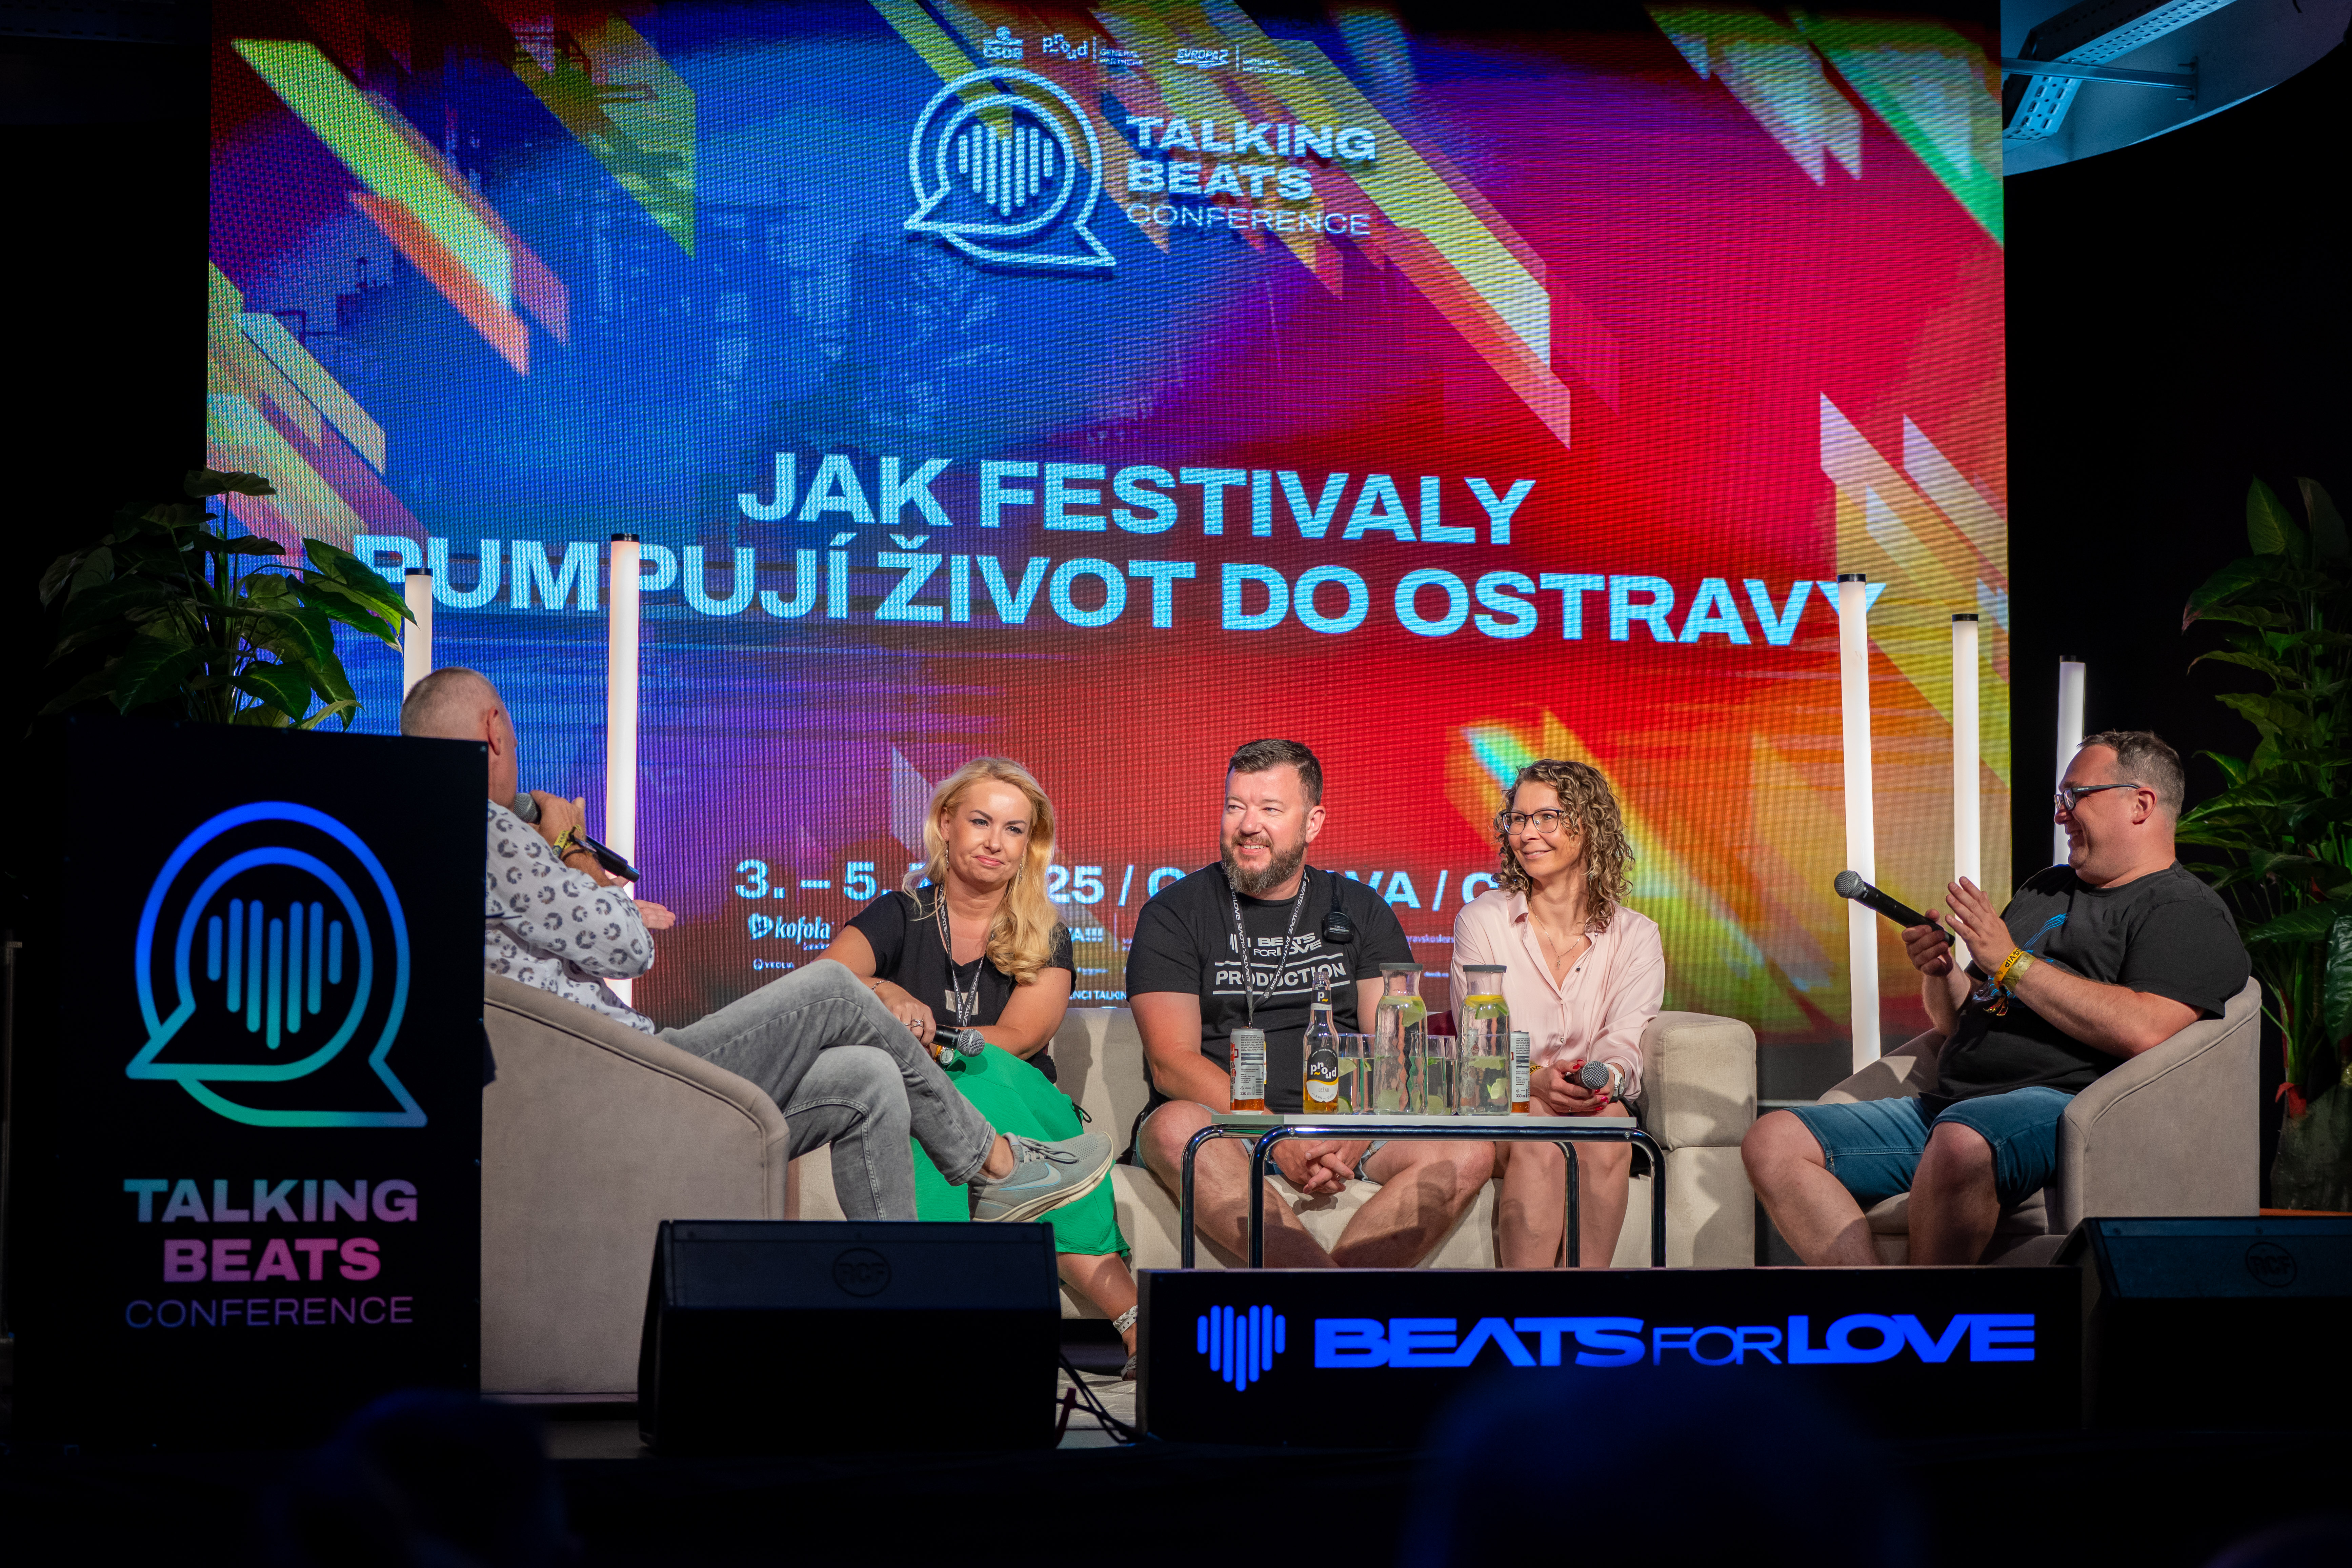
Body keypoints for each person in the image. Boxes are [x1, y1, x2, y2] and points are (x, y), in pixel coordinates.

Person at [400, 667, 1112, 1226]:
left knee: (867, 1076)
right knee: (836, 990)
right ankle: (994, 1165)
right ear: (494, 731)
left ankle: (900, 1307)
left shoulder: (424, 839)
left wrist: (580, 881)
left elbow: (587, 948)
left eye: (1013, 831)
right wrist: (570, 850)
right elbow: (627, 949)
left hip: (592, 1076)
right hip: (618, 1077)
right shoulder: (487, 827)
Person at [1743, 730, 2250, 1264]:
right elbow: (1957, 1020)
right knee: (1772, 1141)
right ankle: (1881, 1321)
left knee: (1962, 1141)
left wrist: (2010, 961)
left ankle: (1927, 1327)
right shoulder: (2046, 888)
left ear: (2141, 804)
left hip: (2067, 1104)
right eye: (2060, 800)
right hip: (1950, 1105)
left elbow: (2145, 1028)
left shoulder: (2183, 910)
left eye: (2075, 797)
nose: (2061, 815)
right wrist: (1941, 973)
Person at [822, 756, 1142, 1373]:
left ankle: (935, 1330)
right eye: (980, 821)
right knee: (916, 1104)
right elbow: (824, 982)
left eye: (1015, 829)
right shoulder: (901, 913)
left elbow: (1019, 1037)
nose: (996, 842)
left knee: (935, 1084)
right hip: (924, 1104)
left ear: (1030, 844)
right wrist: (886, 992)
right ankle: (1137, 1324)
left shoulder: (1047, 931)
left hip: (1020, 1097)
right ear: (947, 824)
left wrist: (928, 1050)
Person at [1128, 739, 1494, 1267]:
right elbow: (1171, 1062)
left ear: (1313, 822)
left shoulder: (1363, 909)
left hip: (1349, 1126)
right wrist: (1277, 1135)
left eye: (1270, 809)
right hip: (1226, 1126)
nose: (1248, 824)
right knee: (1174, 1126)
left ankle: (1323, 1310)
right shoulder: (1174, 912)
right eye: (1236, 806)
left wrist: (1355, 1127)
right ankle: (1320, 1301)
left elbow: (1395, 1050)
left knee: (1467, 1150)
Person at [1451, 758, 1663, 1268]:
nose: (1528, 833)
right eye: (1518, 819)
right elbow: (1481, 1052)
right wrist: (1537, 1081)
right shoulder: (1483, 920)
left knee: (1611, 1123)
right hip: (1504, 1103)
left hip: (1590, 1101)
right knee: (1540, 1131)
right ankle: (1525, 1325)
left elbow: (1625, 1039)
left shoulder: (1636, 935)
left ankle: (1582, 1317)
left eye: (1546, 817)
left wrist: (1601, 1078)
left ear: (1589, 824)